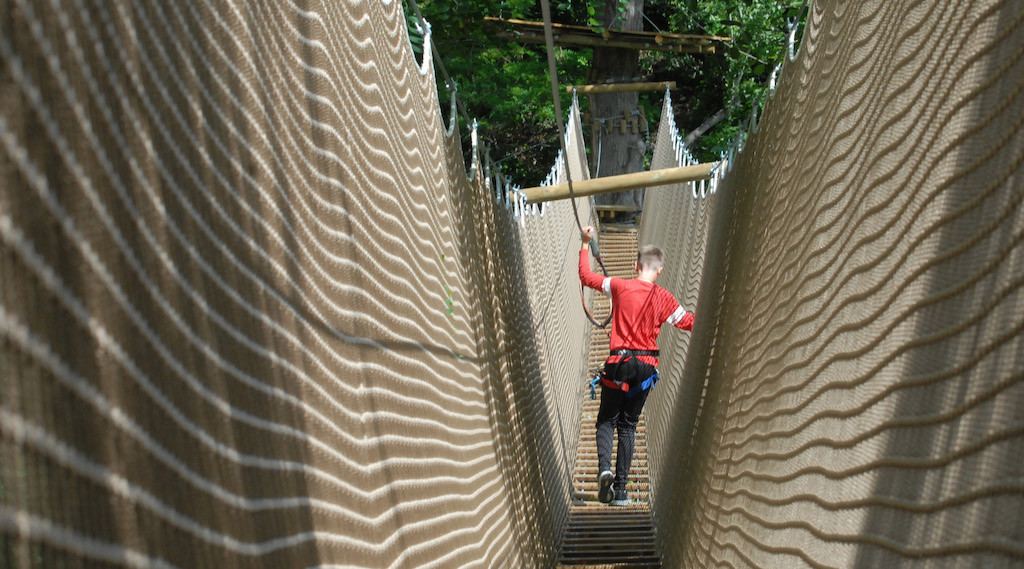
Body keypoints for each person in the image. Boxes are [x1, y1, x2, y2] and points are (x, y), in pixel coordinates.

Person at [579, 226, 694, 505]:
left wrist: (585, 244)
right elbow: (688, 322)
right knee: (628, 426)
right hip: (644, 368)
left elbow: (586, 277)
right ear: (660, 270)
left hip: (618, 364)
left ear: (636, 265)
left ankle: (604, 468)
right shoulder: (664, 298)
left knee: (607, 420)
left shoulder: (619, 286)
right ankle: (621, 492)